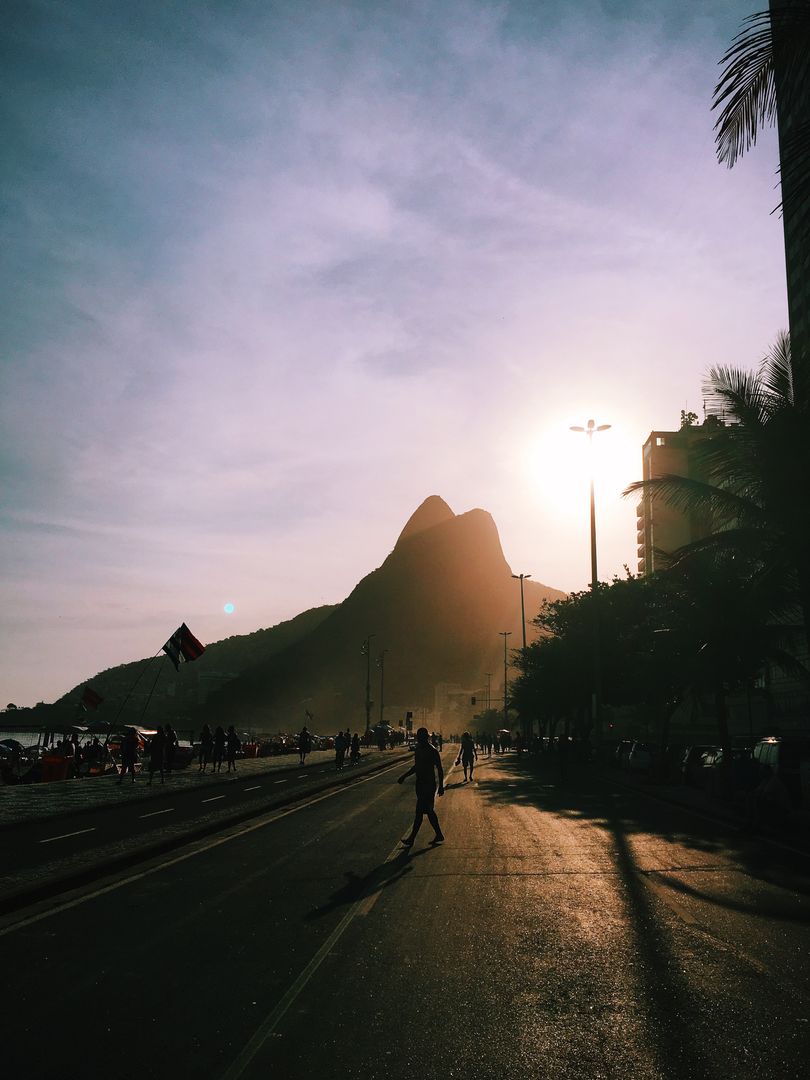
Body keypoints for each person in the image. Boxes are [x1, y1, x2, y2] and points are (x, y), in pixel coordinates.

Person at [398, 727, 444, 846]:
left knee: (420, 812)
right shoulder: (418, 749)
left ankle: (412, 838)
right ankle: (438, 834)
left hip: (428, 785)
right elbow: (416, 767)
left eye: (421, 737)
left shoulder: (432, 751)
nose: (419, 739)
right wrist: (404, 776)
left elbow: (439, 769)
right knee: (428, 811)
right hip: (420, 784)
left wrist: (441, 786)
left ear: (425, 737)